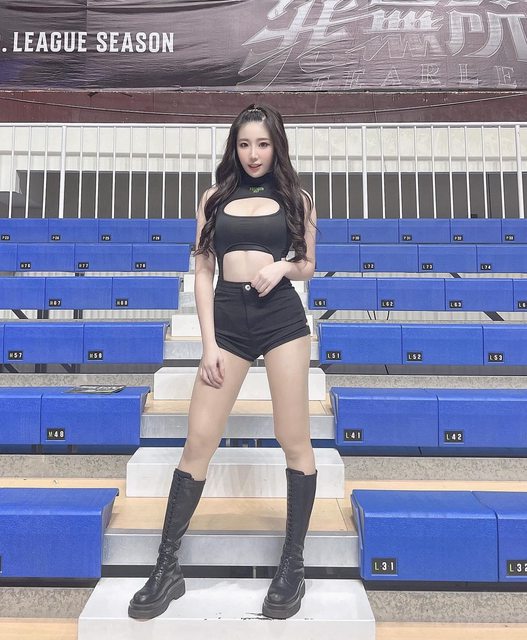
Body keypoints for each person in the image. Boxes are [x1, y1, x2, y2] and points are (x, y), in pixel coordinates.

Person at [128, 103, 318, 621]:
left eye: (263, 144)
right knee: (199, 439)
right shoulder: (214, 197)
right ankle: (167, 568)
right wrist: (208, 344)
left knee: (293, 437)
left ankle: (292, 567)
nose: (254, 154)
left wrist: (282, 268)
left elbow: (308, 264)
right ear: (234, 147)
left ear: (276, 146)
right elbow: (203, 271)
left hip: (281, 318)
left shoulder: (297, 198)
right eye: (244, 143)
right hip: (228, 322)